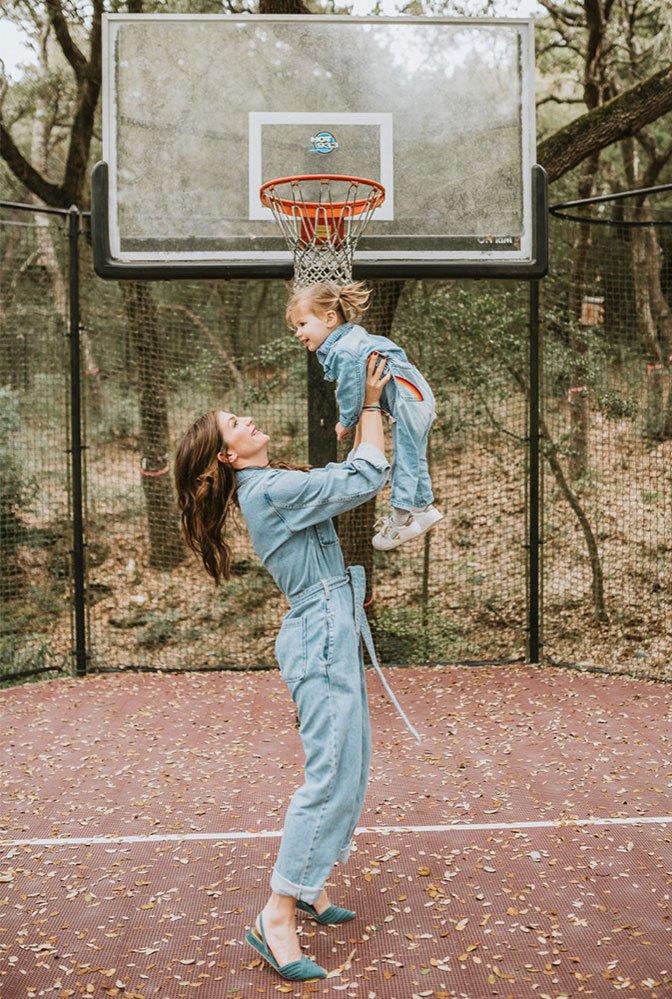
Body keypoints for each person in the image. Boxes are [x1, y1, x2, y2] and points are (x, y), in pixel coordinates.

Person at [173, 354, 421, 982]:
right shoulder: (271, 490)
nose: (249, 419)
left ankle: (310, 885)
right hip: (320, 637)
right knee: (329, 773)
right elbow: (365, 475)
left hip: (328, 624)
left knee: (352, 761)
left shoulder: (270, 482)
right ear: (227, 456)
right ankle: (275, 914)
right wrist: (369, 403)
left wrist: (343, 586)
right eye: (237, 423)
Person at [286, 281, 443, 551]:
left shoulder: (344, 350)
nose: (298, 333)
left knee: (406, 458)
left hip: (409, 398)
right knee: (414, 456)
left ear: (329, 318)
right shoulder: (354, 337)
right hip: (416, 395)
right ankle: (423, 508)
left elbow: (351, 391)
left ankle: (401, 520)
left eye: (302, 324)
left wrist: (345, 422)